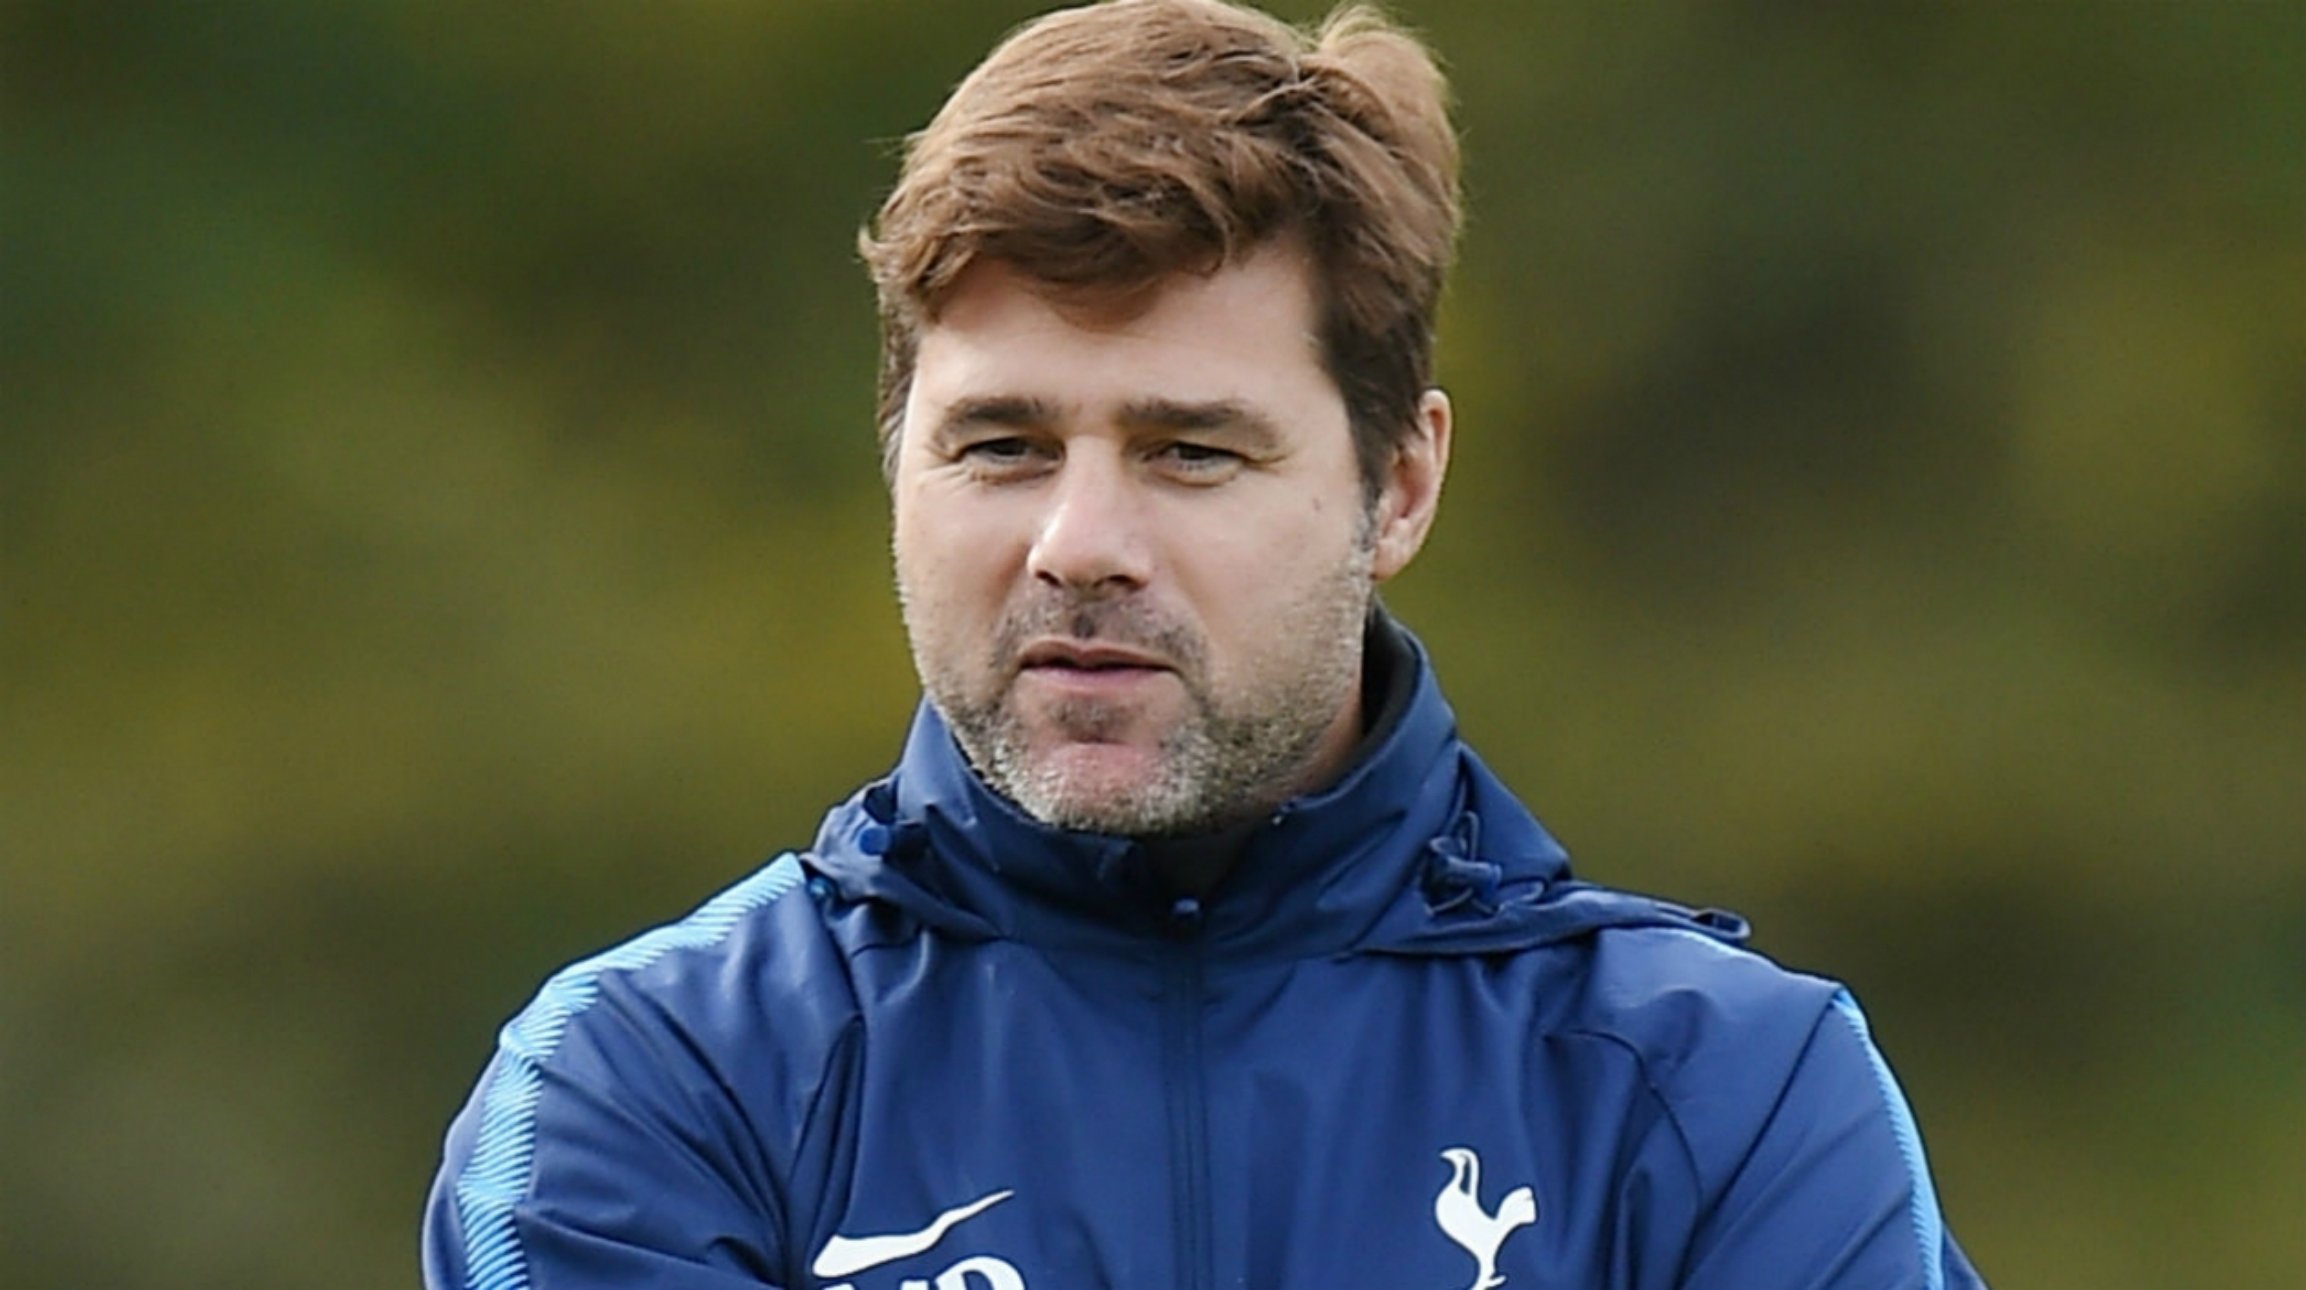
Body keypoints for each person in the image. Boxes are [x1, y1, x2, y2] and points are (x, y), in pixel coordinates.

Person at [423, 2, 1987, 1287]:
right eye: (1001, 445)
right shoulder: (651, 1087)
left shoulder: (1722, 1095)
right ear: (893, 457)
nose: (1079, 542)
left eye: (1189, 451)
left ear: (1399, 484)